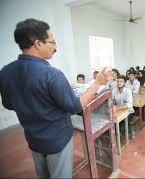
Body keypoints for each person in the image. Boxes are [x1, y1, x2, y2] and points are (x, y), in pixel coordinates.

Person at [0, 18, 112, 178]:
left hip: (33, 139)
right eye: (52, 42)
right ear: (38, 43)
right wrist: (97, 83)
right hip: (57, 140)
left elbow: (8, 104)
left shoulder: (5, 72)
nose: (55, 47)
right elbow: (74, 106)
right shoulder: (51, 75)